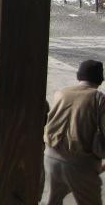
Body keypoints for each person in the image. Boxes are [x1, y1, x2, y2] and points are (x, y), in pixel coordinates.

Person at [44, 60, 105, 205]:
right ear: (100, 79)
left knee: (54, 201)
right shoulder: (99, 99)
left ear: (79, 76)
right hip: (80, 163)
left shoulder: (61, 93)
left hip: (51, 157)